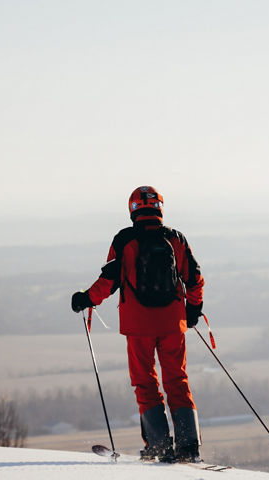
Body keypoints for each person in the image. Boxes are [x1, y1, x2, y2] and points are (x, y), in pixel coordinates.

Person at [71, 185, 205, 463]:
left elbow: (109, 280)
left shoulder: (124, 240)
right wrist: (193, 310)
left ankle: (159, 447)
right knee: (177, 381)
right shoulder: (175, 239)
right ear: (159, 208)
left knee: (145, 383)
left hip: (139, 325)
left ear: (132, 209)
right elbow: (194, 279)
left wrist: (86, 298)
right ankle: (189, 447)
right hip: (172, 323)